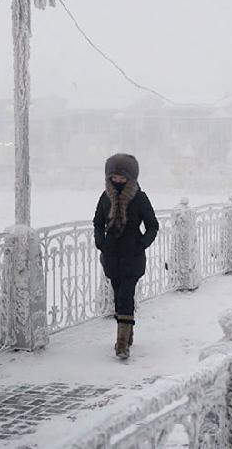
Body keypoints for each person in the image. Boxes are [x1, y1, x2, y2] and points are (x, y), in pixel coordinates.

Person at [93, 154, 159, 360]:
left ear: (131, 177)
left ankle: (121, 343)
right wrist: (101, 242)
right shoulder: (105, 197)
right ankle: (127, 332)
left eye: (122, 177)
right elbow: (97, 222)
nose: (118, 180)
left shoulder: (140, 197)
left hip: (132, 255)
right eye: (114, 176)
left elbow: (152, 226)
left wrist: (141, 244)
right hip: (112, 255)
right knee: (117, 295)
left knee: (125, 296)